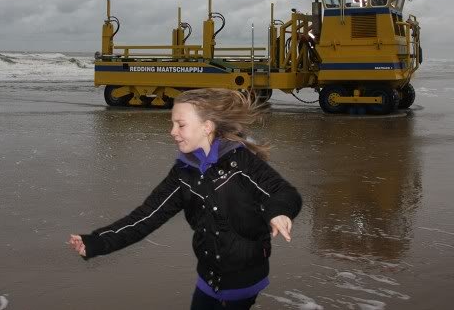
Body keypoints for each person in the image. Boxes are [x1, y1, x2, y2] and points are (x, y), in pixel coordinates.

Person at [69, 89, 302, 309]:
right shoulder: (184, 172)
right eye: (172, 124)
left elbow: (284, 192)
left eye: (180, 124)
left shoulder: (240, 163)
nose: (172, 131)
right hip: (208, 277)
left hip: (244, 280)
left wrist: (279, 211)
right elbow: (146, 217)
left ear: (207, 127)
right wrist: (97, 242)